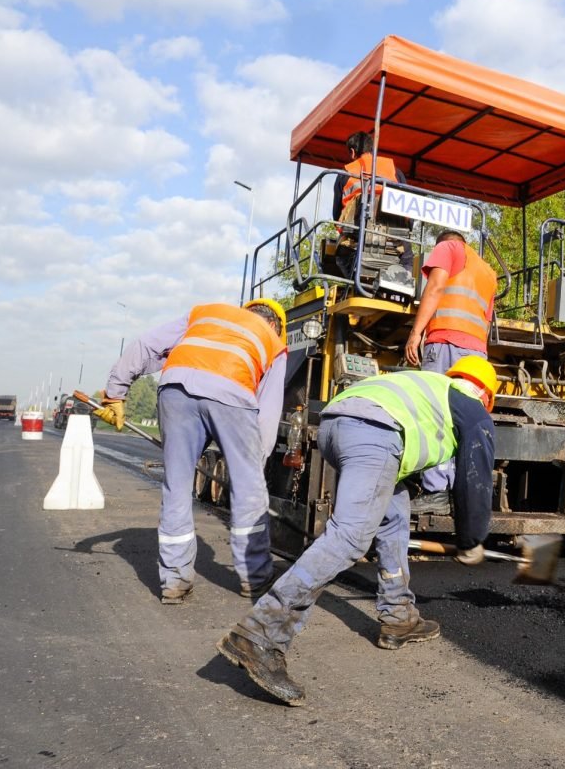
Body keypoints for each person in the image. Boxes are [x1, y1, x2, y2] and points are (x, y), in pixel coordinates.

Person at [215, 357, 499, 706]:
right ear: (486, 396)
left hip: (338, 426)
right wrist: (471, 538)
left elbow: (421, 464)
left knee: (394, 516)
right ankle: (261, 633)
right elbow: (476, 474)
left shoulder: (426, 388)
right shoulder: (471, 406)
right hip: (375, 433)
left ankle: (398, 616)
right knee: (350, 536)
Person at [94, 299, 288, 605]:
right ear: (276, 324)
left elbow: (146, 345)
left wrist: (116, 392)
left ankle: (175, 580)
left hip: (175, 389)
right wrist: (254, 464)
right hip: (232, 394)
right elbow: (267, 414)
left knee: (177, 486)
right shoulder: (274, 343)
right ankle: (255, 578)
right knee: (249, 491)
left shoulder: (205, 313)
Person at [403, 229, 497, 514]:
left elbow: (435, 288)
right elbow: (486, 319)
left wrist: (415, 333)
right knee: (465, 424)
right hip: (476, 354)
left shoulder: (448, 248)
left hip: (445, 342)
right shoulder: (488, 271)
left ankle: (435, 492)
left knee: (436, 417)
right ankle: (463, 496)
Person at [332, 131, 414, 275]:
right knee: (407, 258)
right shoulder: (395, 171)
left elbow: (337, 215)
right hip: (395, 239)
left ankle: (354, 283)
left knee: (340, 256)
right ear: (372, 149)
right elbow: (408, 210)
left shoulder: (347, 172)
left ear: (352, 152)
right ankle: (402, 283)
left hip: (357, 238)